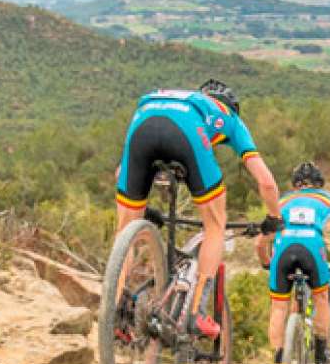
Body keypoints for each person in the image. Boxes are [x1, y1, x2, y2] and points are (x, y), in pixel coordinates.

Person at [114, 79, 282, 338]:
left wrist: (141, 208)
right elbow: (267, 183)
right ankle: (196, 313)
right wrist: (273, 218)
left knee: (124, 229)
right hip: (186, 132)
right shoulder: (231, 119)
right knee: (215, 225)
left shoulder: (181, 99)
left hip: (142, 122)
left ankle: (114, 314)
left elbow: (120, 173)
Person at [258, 162, 330, 364]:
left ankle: (279, 363)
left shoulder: (282, 201)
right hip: (312, 248)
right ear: (320, 184)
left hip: (283, 250)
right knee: (321, 298)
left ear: (295, 185)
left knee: (279, 307)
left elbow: (260, 243)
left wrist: (266, 263)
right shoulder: (328, 199)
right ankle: (320, 352)